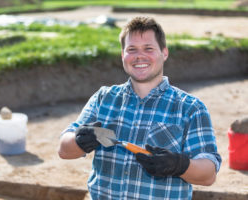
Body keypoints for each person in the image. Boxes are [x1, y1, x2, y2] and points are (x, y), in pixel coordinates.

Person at [58, 16, 221, 199]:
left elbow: (208, 175)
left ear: (164, 53)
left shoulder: (191, 108)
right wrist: (79, 140)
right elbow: (64, 150)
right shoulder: (104, 98)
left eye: (148, 49)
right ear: (123, 55)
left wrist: (179, 165)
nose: (139, 56)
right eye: (132, 49)